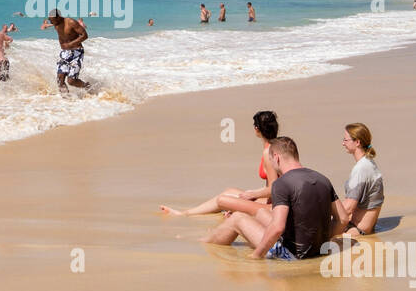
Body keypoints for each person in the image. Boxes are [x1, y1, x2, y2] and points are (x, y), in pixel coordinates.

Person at [201, 136, 335, 260]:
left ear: (276, 158)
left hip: (292, 256)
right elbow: (343, 218)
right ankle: (216, 234)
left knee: (237, 219)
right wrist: (323, 243)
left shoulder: (282, 183)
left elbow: (277, 227)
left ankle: (203, 244)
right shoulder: (323, 179)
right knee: (260, 213)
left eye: (271, 162)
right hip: (318, 251)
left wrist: (257, 254)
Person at [160, 111, 280, 218]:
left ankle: (183, 214)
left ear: (257, 129)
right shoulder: (278, 146)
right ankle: (187, 213)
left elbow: (274, 188)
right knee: (229, 191)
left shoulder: (268, 152)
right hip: (272, 200)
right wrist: (252, 194)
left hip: (273, 207)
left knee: (221, 200)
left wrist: (252, 195)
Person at [329, 123, 385, 237]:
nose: (343, 143)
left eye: (345, 140)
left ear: (357, 142)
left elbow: (349, 207)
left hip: (356, 231)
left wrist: (321, 215)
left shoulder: (361, 169)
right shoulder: (369, 163)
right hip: (362, 229)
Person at [41, 8, 90, 94]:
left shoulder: (71, 22)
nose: (51, 22)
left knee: (71, 81)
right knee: (60, 79)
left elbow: (84, 35)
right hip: (65, 53)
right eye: (50, 20)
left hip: (76, 52)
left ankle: (87, 86)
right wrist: (62, 45)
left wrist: (71, 44)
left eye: (52, 20)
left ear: (58, 17)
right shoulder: (56, 24)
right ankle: (67, 101)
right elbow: (61, 35)